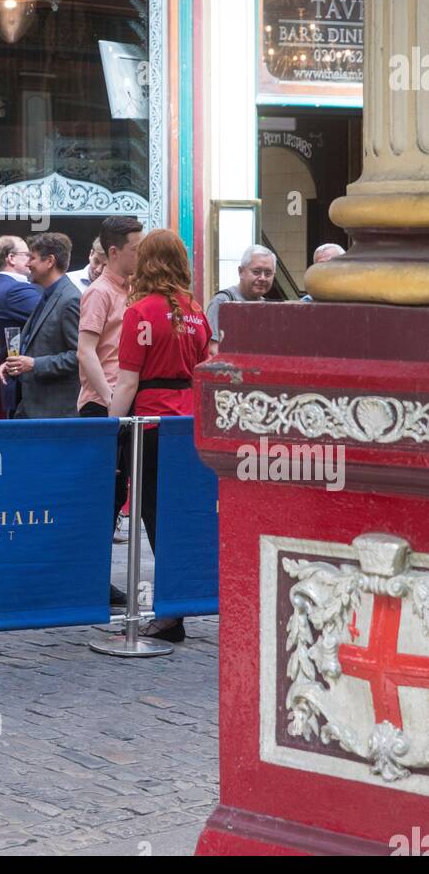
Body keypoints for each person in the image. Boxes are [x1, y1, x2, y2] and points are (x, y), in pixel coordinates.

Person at [110, 230, 213, 643]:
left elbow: (128, 383)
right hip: (190, 426)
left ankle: (171, 614)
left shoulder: (139, 312)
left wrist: (110, 429)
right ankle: (180, 603)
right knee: (183, 519)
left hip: (151, 427)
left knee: (155, 518)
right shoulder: (196, 311)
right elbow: (206, 371)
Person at [76, 216, 144, 591]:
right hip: (103, 406)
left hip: (122, 402)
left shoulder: (131, 291)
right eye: (136, 248)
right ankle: (92, 578)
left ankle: (98, 579)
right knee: (102, 494)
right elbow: (86, 352)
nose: (141, 254)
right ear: (115, 251)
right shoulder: (100, 292)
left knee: (117, 495)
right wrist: (109, 403)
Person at [0, 232, 80, 418]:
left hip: (54, 413)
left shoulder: (70, 300)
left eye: (32, 258)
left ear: (49, 261)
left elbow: (79, 356)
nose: (28, 264)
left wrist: (34, 364)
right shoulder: (48, 294)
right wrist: (17, 364)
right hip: (32, 407)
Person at [0, 235, 42, 416]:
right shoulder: (15, 290)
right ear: (11, 258)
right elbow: (57, 311)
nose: (31, 260)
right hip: (26, 387)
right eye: (27, 255)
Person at [205, 245, 276, 348]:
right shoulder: (223, 302)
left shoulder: (267, 308)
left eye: (268, 273)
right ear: (241, 272)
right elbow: (212, 347)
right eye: (256, 272)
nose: (262, 278)